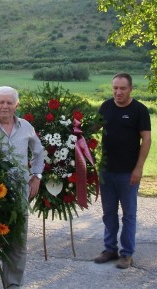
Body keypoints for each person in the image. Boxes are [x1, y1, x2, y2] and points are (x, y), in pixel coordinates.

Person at [0, 86, 44, 288]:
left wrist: (36, 176)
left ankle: (13, 284)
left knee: (17, 244)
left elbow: (39, 153)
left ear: (16, 105)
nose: (5, 106)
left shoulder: (26, 127)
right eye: (1, 102)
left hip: (18, 196)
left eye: (9, 102)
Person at [94, 73, 151, 269]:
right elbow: (92, 128)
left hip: (128, 173)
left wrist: (139, 168)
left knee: (128, 214)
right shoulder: (106, 106)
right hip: (106, 171)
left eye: (122, 89)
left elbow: (147, 140)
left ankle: (126, 254)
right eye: (115, 88)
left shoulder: (139, 110)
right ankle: (110, 249)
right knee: (108, 213)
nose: (118, 92)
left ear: (131, 89)